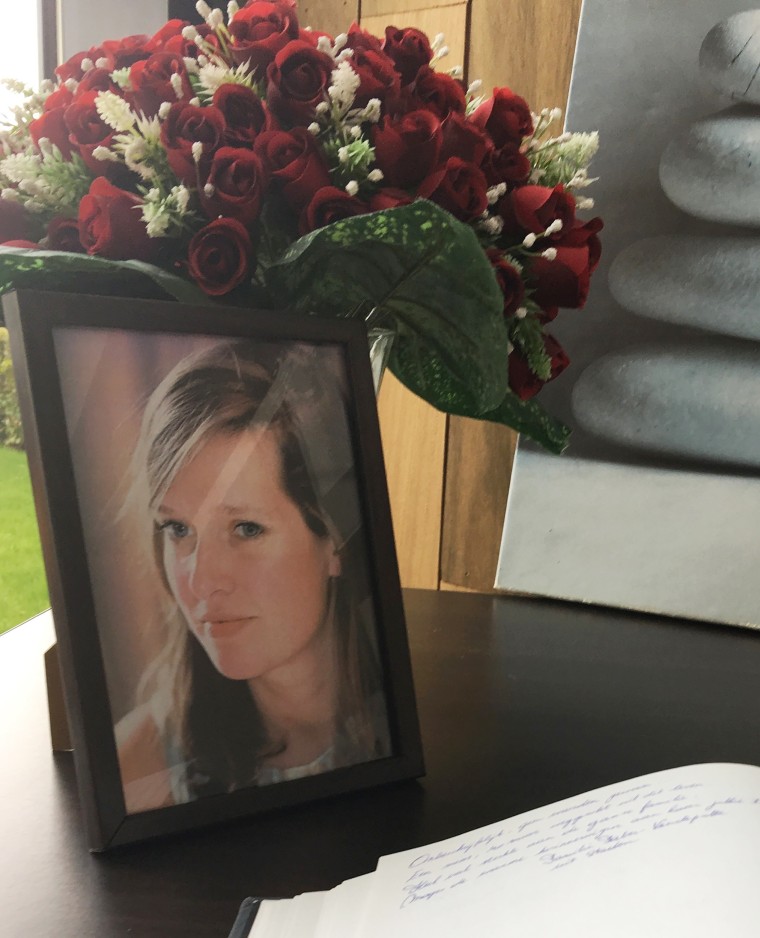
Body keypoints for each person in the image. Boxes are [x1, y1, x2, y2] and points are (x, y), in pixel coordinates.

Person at [115, 340, 391, 813]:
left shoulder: (406, 720)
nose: (200, 583)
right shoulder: (137, 763)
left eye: (246, 529)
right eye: (177, 529)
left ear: (334, 539)